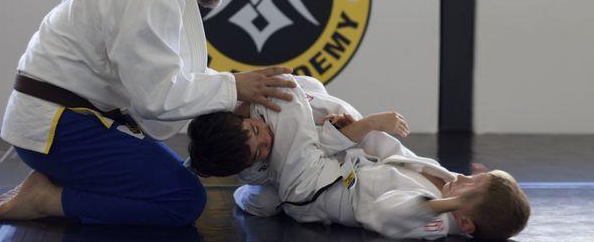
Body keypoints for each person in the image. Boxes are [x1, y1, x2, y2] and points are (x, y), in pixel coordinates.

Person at [0, 0, 296, 226]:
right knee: (184, 198)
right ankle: (48, 198)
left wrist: (237, 93)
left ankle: (62, 184)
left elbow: (176, 74)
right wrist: (234, 86)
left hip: (78, 117)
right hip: (59, 127)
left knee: (177, 176)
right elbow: (157, 98)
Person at [187, 75, 531, 240]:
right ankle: (247, 179)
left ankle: (238, 111)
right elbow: (382, 152)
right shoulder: (447, 186)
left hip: (312, 190)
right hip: (322, 171)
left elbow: (384, 213)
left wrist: (367, 124)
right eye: (474, 176)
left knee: (289, 95)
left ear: (466, 222)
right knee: (260, 201)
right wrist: (360, 130)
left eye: (469, 189)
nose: (464, 178)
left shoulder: (435, 220)